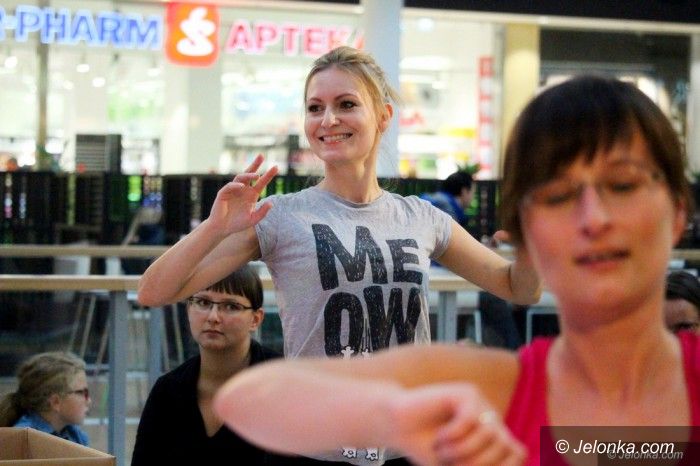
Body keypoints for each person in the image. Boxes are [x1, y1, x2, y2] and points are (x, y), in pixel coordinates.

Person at [212, 75, 700, 466]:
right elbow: (249, 400)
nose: (593, 219)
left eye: (623, 185)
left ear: (679, 211)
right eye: (559, 196)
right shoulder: (493, 390)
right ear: (529, 227)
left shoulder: (423, 219)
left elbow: (514, 286)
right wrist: (397, 416)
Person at [137, 46, 540, 465]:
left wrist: (533, 250)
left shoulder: (421, 217)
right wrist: (214, 227)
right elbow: (153, 291)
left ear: (383, 116)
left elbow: (518, 288)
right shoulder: (281, 216)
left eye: (346, 104)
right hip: (312, 449)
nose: (328, 120)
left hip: (407, 447)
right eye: (315, 108)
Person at [131, 265, 284, 465]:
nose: (213, 317)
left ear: (256, 319)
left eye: (231, 306)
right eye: (203, 302)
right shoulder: (168, 390)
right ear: (188, 309)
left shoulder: (283, 384)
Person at [0, 351, 91, 446]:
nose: (89, 401)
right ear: (55, 402)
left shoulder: (76, 435)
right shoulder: (19, 440)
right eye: (82, 393)